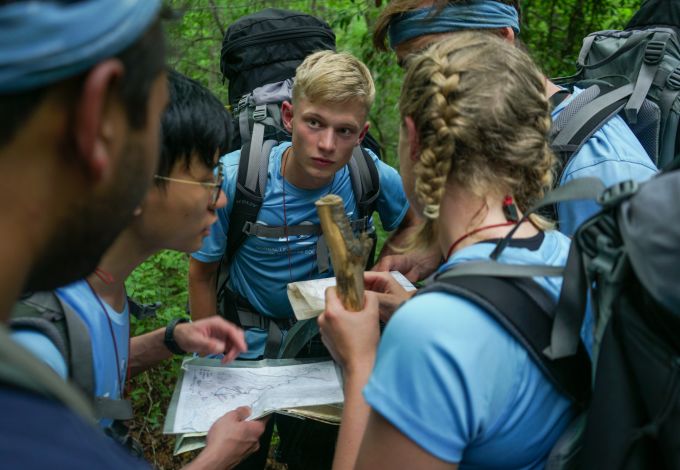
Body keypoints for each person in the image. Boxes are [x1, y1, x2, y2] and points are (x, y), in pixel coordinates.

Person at [0, 2, 261, 468]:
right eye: (208, 179)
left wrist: (172, 339)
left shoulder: (90, 287)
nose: (219, 199)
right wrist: (215, 459)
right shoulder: (35, 344)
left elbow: (86, 372)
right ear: (101, 124)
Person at [319, 32, 581, 469]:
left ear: (415, 140)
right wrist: (417, 307)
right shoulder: (570, 252)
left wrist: (359, 361)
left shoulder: (431, 334)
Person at [189, 50, 415, 470]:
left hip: (324, 353)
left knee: (316, 460)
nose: (327, 144)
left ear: (362, 133)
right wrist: (212, 366)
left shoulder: (369, 175)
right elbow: (201, 274)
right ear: (290, 116)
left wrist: (383, 266)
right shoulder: (239, 178)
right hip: (244, 352)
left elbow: (414, 225)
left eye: (344, 130)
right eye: (315, 123)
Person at [371, 0, 658, 282]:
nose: (419, 83)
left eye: (439, 54)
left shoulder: (600, 167)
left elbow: (629, 319)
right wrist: (439, 247)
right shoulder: (493, 134)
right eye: (409, 66)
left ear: (501, 38)